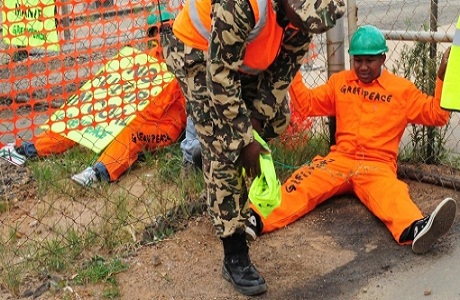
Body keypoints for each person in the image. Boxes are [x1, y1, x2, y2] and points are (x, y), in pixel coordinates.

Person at [161, 0, 346, 296]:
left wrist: (256, 123)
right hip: (196, 52)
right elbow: (219, 75)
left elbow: (283, 71)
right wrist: (242, 139)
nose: (302, 27)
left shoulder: (301, 16)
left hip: (240, 55)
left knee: (277, 118)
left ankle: (210, 156)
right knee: (227, 148)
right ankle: (234, 254)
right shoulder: (241, 5)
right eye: (299, 18)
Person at [246, 25, 457, 255]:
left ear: (383, 58)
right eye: (358, 60)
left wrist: (442, 78)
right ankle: (255, 219)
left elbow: (437, 114)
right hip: (339, 160)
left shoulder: (401, 91)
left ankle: (415, 229)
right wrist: (292, 68)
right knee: (304, 183)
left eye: (370, 60)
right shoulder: (340, 83)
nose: (363, 67)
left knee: (393, 193)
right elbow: (306, 104)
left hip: (377, 166)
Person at [0, 76, 187, 186]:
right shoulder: (144, 61)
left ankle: (99, 173)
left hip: (163, 125)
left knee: (131, 131)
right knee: (84, 117)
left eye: (164, 31)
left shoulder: (180, 62)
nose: (159, 39)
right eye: (154, 33)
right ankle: (27, 151)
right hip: (126, 113)